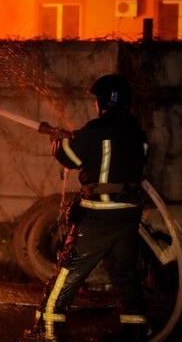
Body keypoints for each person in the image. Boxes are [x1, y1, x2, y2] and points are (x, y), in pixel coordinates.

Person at [26, 74, 151, 342]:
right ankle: (136, 331)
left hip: (98, 216)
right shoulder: (137, 133)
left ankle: (47, 329)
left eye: (97, 100)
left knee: (69, 271)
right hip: (128, 217)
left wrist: (57, 140)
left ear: (105, 101)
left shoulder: (96, 129)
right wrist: (74, 138)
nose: (95, 104)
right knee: (126, 277)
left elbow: (69, 157)